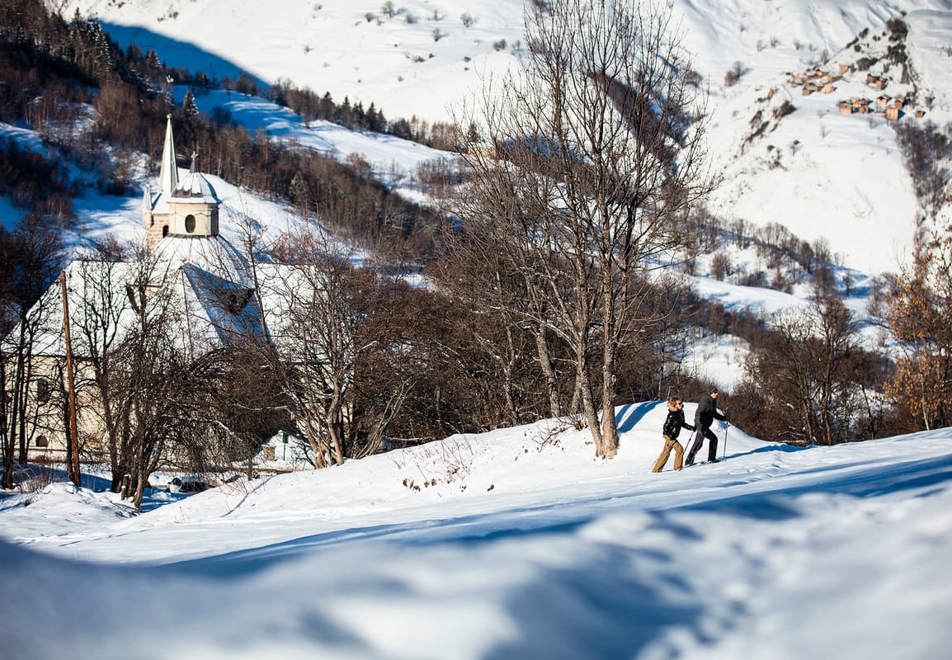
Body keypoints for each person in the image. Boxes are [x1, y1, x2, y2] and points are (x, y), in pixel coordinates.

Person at [685, 387, 728, 466]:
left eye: (717, 392)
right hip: (701, 425)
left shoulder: (713, 401)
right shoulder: (705, 401)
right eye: (715, 392)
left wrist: (723, 418)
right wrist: (699, 425)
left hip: (705, 425)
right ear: (710, 393)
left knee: (712, 439)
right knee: (698, 443)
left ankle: (711, 458)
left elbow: (714, 414)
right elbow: (698, 414)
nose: (717, 394)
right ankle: (688, 461)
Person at [651, 397, 695, 473]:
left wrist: (691, 428)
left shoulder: (681, 412)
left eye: (681, 402)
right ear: (675, 405)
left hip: (673, 436)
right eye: (679, 403)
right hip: (669, 436)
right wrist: (670, 436)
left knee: (666, 452)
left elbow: (682, 423)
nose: (681, 404)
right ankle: (677, 468)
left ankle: (656, 469)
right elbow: (665, 427)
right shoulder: (671, 415)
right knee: (679, 449)